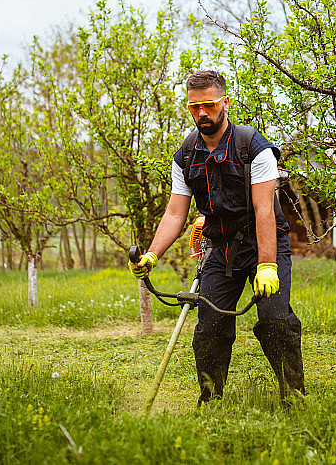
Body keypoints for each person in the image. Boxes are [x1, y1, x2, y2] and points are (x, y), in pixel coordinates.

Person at [129, 70, 305, 404]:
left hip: (263, 242)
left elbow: (264, 210)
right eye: (194, 107)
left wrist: (268, 265)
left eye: (208, 105)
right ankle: (212, 400)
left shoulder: (253, 148)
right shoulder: (185, 156)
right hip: (220, 248)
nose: (202, 113)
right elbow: (175, 213)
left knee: (275, 320)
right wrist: (152, 254)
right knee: (209, 327)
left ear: (224, 102)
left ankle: (294, 396)